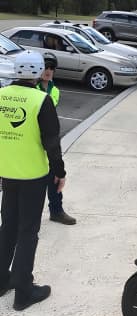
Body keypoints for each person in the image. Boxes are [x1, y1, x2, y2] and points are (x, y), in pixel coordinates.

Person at [0, 51, 66, 310]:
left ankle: (2, 280)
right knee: (28, 231)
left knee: (7, 227)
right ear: (39, 72)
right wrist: (59, 172)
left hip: (8, 172)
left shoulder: (1, 94)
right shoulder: (42, 99)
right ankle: (23, 290)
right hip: (32, 175)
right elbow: (52, 142)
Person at [36, 53, 76, 225]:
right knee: (36, 183)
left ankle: (56, 211)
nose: (49, 71)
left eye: (52, 68)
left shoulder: (55, 91)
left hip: (50, 140)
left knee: (55, 177)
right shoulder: (33, 89)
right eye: (46, 67)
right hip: (34, 142)